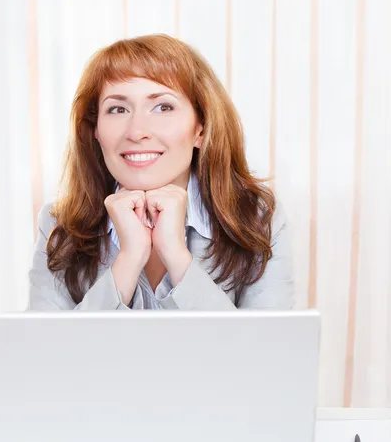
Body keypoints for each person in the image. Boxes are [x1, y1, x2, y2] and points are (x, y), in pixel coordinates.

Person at [27, 33, 294, 311]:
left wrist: (177, 257)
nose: (137, 131)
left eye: (163, 107)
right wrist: (128, 260)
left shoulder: (257, 219)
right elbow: (49, 352)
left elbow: (259, 351)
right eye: (118, 109)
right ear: (95, 130)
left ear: (200, 129)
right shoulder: (59, 226)